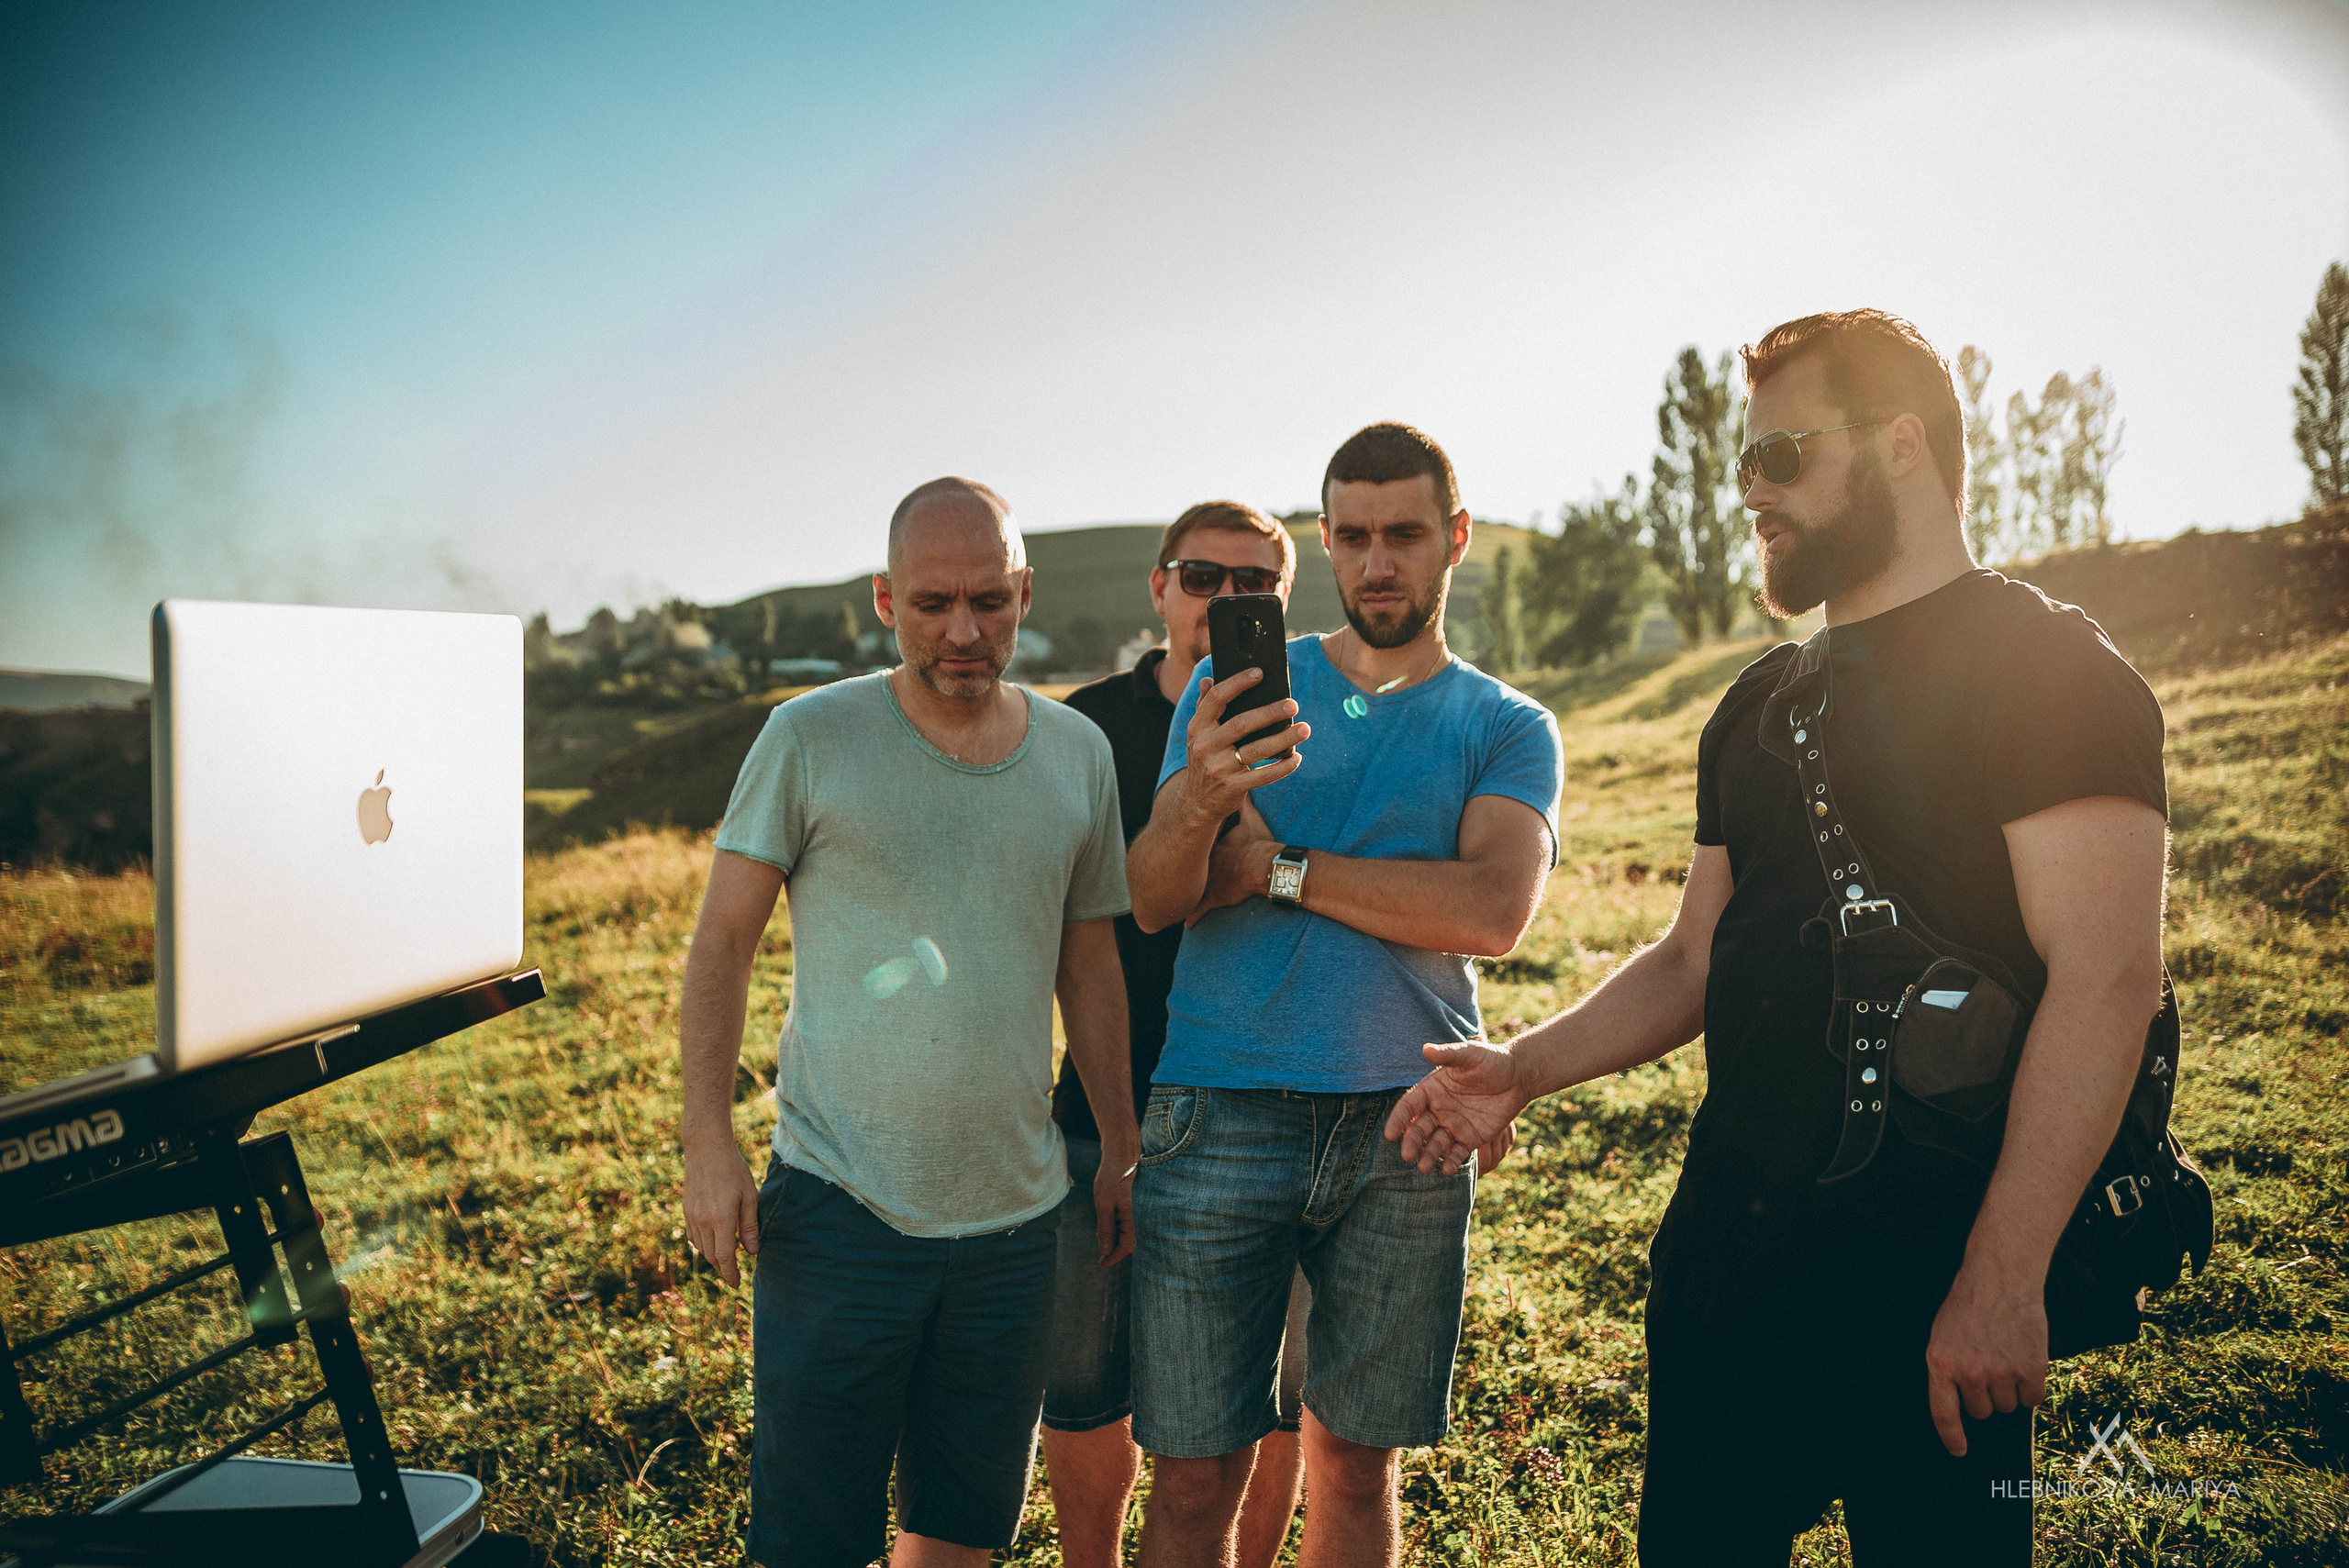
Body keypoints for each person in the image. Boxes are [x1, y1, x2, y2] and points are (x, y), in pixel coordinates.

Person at [1385, 311, 2171, 1566]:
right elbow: (1696, 957)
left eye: (1784, 454)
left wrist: (2003, 1275)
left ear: (1902, 447)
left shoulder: (2052, 673)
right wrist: (1521, 1068)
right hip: (1732, 1264)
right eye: (1744, 460)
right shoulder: (1762, 700)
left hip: (1935, 1283)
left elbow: (2110, 978)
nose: (1751, 489)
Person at [676, 476, 1141, 1568]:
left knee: (960, 1535)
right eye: (934, 603)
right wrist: (708, 1138)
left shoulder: (1076, 752)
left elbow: (1092, 962)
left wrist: (1117, 1142)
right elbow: (720, 945)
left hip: (1015, 1221)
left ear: (1024, 591)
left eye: (989, 599)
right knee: (812, 1541)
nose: (965, 630)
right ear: (885, 599)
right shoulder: (809, 736)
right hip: (842, 1210)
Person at [1125, 423, 1564, 1567]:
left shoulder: (1506, 725)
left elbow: (1491, 910)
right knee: (1190, 1474)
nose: (1378, 562)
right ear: (1325, 541)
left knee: (1354, 1462)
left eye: (1405, 534)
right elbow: (1160, 896)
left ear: (1453, 539)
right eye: (1355, 535)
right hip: (1217, 1107)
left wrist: (1279, 867)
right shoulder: (1236, 690)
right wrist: (1196, 801)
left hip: (1405, 1126)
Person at [1047, 501, 1314, 1568]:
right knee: (1083, 1389)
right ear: (1158, 588)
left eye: (1257, 585)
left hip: (1261, 1107)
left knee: (1263, 1394)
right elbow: (1084, 932)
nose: (1227, 601)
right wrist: (1114, 1132)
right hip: (1097, 1112)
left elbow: (1304, 891)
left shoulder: (1312, 717)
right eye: (1204, 577)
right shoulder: (1082, 728)